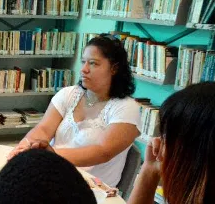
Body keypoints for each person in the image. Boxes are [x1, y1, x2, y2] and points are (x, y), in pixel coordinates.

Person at [9, 34, 140, 187]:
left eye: (93, 64)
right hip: (52, 175)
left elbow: (103, 152)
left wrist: (49, 155)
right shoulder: (69, 94)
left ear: (114, 68)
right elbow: (44, 129)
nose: (84, 69)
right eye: (83, 62)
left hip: (90, 189)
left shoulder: (126, 107)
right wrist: (27, 145)